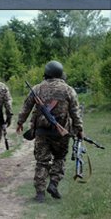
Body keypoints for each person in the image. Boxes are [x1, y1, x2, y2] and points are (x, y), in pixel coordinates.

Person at [17, 60, 83, 202]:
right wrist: (79, 129)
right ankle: (53, 184)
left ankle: (40, 194)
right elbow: (75, 113)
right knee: (59, 158)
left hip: (42, 132)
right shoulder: (68, 90)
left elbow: (26, 107)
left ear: (46, 73)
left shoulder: (38, 88)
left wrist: (20, 122)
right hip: (61, 132)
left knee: (42, 162)